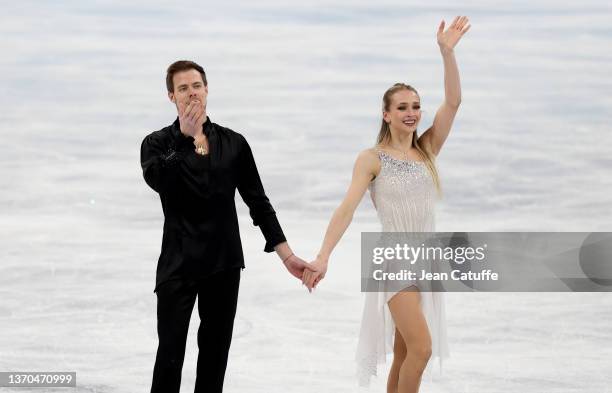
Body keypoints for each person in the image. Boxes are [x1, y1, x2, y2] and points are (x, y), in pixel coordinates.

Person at [302, 16, 471, 392]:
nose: (411, 113)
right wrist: (324, 255)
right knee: (422, 349)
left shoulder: (427, 150)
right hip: (394, 260)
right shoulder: (372, 158)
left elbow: (454, 101)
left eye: (415, 106)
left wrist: (447, 53)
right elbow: (346, 208)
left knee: (405, 351)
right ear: (386, 114)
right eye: (402, 107)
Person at [140, 60, 316, 393]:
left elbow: (258, 203)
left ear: (206, 90)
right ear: (170, 96)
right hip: (178, 264)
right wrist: (185, 140)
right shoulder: (156, 143)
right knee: (170, 357)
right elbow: (160, 181)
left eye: (196, 86)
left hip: (223, 263)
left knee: (214, 358)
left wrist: (287, 255)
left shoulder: (234, 144)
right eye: (182, 88)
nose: (191, 93)